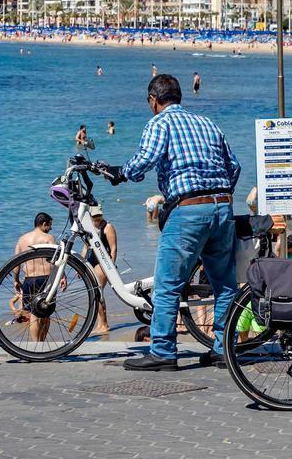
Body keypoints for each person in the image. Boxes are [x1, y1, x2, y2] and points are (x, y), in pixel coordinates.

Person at [106, 74, 241, 371]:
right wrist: (221, 194)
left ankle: (163, 351)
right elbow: (234, 166)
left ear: (154, 100)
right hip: (222, 208)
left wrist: (121, 173)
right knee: (224, 285)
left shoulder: (160, 123)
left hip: (188, 210)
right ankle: (222, 350)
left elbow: (145, 159)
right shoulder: (208, 123)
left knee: (168, 285)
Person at [12, 213, 57, 342]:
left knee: (33, 314)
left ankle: (34, 345)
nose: (51, 228)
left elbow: (16, 264)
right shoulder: (49, 238)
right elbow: (57, 260)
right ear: (43, 224)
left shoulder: (22, 239)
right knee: (46, 313)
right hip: (46, 279)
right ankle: (42, 342)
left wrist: (15, 280)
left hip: (29, 279)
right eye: (50, 225)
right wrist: (63, 276)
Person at [82, 205, 118, 335]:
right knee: (93, 293)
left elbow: (113, 248)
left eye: (99, 215)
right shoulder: (88, 228)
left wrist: (111, 267)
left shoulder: (107, 227)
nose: (97, 218)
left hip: (103, 261)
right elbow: (86, 247)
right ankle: (100, 323)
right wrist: (81, 265)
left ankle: (104, 324)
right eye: (95, 216)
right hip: (91, 259)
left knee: (97, 291)